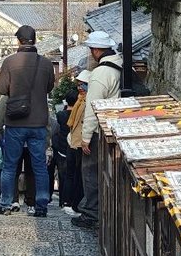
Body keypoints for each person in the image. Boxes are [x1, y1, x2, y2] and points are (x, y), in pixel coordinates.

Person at [0, 25, 55, 218]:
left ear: (18, 41)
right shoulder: (45, 63)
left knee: (10, 165)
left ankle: (5, 204)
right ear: (35, 40)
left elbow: (2, 89)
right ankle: (41, 205)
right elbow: (49, 87)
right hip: (38, 122)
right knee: (39, 166)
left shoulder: (10, 62)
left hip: (15, 122)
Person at [72, 32, 121, 231]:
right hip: (116, 127)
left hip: (100, 131)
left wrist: (85, 137)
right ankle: (97, 209)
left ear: (97, 50)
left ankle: (91, 213)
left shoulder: (101, 74)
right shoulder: (120, 65)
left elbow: (93, 108)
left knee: (91, 172)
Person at [56, 71, 91, 215]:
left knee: (76, 174)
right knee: (74, 174)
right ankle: (72, 203)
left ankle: (74, 203)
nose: (80, 87)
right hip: (73, 141)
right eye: (78, 84)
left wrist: (86, 139)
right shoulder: (80, 100)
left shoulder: (86, 100)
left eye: (83, 84)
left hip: (80, 141)